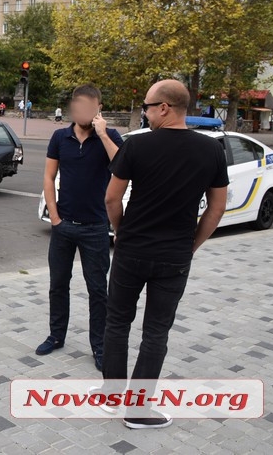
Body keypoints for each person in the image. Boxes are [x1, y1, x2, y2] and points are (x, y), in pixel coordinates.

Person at [99, 80, 228, 429]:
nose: (145, 111)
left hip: (131, 250)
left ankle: (112, 397)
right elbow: (216, 210)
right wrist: (191, 245)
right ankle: (138, 411)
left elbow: (112, 198)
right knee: (156, 332)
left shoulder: (137, 146)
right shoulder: (212, 151)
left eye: (147, 105)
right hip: (174, 256)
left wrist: (122, 232)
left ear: (165, 107)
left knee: (117, 322)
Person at [36, 84, 123, 372]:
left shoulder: (110, 137)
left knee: (98, 290)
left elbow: (123, 167)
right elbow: (49, 177)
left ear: (99, 107)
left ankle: (99, 347)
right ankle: (56, 335)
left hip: (96, 227)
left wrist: (102, 134)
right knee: (57, 285)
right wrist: (56, 217)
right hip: (64, 227)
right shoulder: (60, 137)